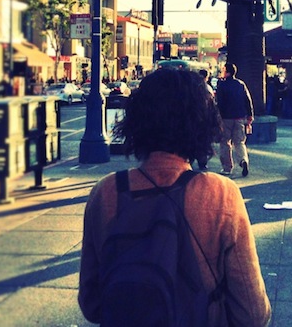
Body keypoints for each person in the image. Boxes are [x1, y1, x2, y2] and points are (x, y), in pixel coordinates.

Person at [78, 69, 271, 326]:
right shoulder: (221, 195)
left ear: (135, 121)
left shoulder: (106, 192)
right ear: (203, 125)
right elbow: (252, 314)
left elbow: (91, 304)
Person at [215, 62, 254, 177]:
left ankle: (227, 168)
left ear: (227, 72)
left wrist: (218, 117)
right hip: (240, 117)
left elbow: (220, 102)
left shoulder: (222, 85)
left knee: (225, 142)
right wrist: (250, 114)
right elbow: (248, 100)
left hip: (226, 117)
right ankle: (243, 161)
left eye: (223, 69)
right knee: (239, 142)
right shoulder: (241, 84)